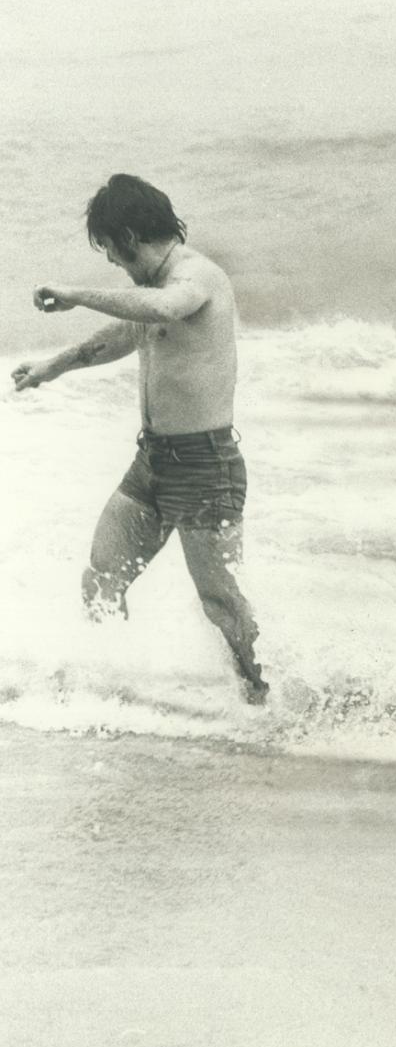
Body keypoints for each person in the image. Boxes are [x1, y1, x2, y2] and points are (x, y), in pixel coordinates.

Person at [11, 174, 267, 702]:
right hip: (151, 463)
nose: (110, 261)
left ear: (127, 235)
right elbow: (124, 334)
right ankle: (111, 688)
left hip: (205, 464)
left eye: (108, 247)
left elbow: (166, 309)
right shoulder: (151, 290)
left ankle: (260, 696)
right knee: (101, 577)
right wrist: (49, 369)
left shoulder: (198, 277)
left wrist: (78, 294)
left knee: (219, 602)